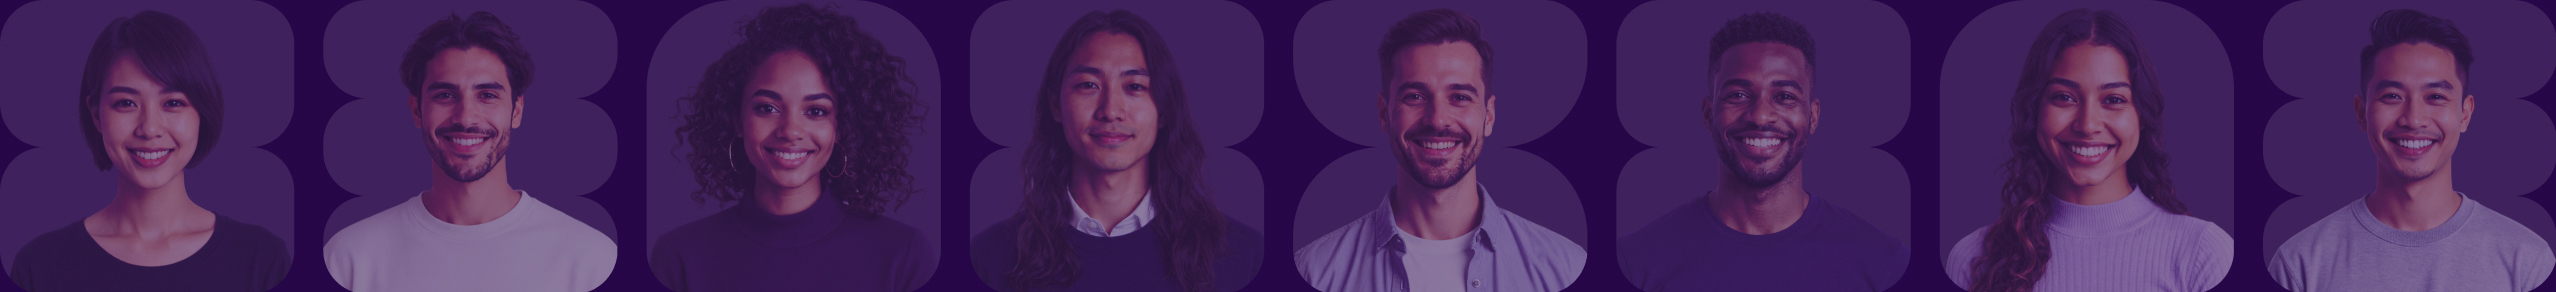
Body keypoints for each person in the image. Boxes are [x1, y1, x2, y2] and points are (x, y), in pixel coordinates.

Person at [968, 9, 1262, 292]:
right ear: (1056, 105)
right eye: (1088, 85)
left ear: (1165, 110)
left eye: (1134, 87)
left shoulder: (1244, 257)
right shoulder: (990, 259)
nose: (1111, 111)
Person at [1293, 9, 1586, 292]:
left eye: (1459, 97)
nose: (1437, 119)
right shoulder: (1314, 273)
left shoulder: (1566, 270)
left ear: (1489, 116)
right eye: (1415, 96)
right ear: (1384, 114)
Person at [321, 11, 615, 292]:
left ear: (516, 110)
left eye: (487, 95)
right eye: (445, 95)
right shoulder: (349, 259)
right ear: (416, 110)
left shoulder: (591, 261)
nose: (465, 117)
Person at [650, 3, 933, 292]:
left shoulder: (902, 257)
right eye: (767, 108)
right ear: (737, 120)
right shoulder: (680, 258)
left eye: (816, 111)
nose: (790, 131)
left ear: (842, 126)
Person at [1615, 12, 1906, 292]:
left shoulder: (1884, 265)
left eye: (1784, 97)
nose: (1760, 116)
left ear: (1813, 116)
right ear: (1707, 113)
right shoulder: (1636, 263)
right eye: (1738, 95)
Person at [1944, 9, 2231, 292]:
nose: (2088, 124)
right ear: (2034, 110)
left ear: (2141, 115)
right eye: (2064, 97)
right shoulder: (1973, 259)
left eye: (2114, 99)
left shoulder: (2202, 255)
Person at [2268, 9, 2555, 292]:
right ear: (2362, 113)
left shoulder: (2528, 263)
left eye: (2436, 97)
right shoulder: (2300, 265)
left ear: (2465, 114)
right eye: (2392, 96)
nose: (2414, 119)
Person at [9, 10, 289, 292]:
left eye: (174, 103)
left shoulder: (262, 261)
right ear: (96, 114)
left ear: (201, 112)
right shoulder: (39, 267)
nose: (150, 128)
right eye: (126, 104)